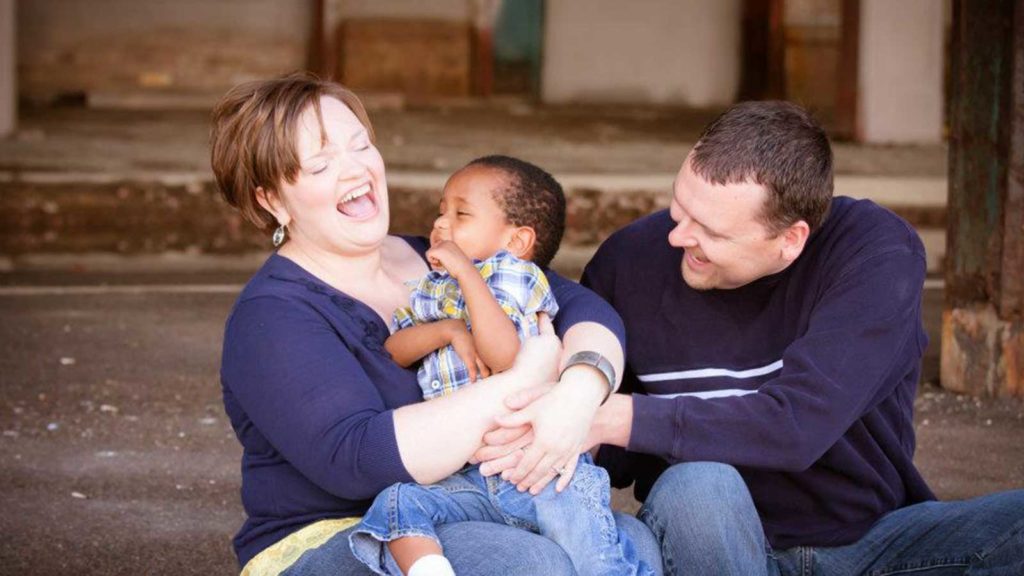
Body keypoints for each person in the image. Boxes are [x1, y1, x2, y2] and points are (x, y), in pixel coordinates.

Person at [211, 73, 659, 575]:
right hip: (335, 535)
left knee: (632, 542)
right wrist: (525, 379)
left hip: (468, 505)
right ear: (271, 200)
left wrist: (577, 393)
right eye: (320, 164)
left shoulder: (437, 257)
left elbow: (582, 309)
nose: (354, 169)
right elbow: (359, 460)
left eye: (360, 144)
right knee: (532, 563)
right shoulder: (272, 317)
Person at [551, 100, 1024, 575]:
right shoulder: (628, 263)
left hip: (871, 547)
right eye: (680, 207)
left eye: (710, 230)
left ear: (790, 239)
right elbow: (607, 456)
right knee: (701, 485)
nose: (678, 238)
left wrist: (615, 417)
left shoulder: (871, 251)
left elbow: (798, 425)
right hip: (711, 545)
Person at [349, 155, 654, 576]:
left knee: (597, 562)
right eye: (441, 211)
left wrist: (465, 274)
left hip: (539, 474)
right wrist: (447, 330)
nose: (440, 225)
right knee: (398, 502)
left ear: (516, 241)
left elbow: (504, 355)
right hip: (470, 476)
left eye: (461, 214)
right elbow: (395, 350)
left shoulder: (514, 276)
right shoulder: (432, 290)